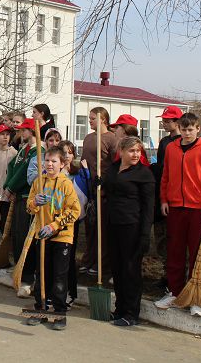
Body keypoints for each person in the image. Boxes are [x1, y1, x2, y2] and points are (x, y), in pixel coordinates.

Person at [155, 112, 201, 317]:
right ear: (179, 129)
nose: (187, 133)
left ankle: (195, 297)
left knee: (197, 252)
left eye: (191, 129)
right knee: (175, 251)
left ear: (198, 129)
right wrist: (164, 199)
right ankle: (174, 292)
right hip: (175, 206)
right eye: (184, 129)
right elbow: (165, 175)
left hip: (197, 208)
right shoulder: (171, 148)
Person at [25, 146, 80, 330]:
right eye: (47, 160)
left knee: (59, 277)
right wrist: (35, 203)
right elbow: (29, 207)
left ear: (62, 164)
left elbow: (74, 211)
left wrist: (54, 226)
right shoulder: (38, 182)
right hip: (42, 235)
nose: (49, 164)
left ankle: (59, 313)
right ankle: (40, 308)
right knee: (42, 274)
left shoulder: (66, 184)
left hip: (62, 237)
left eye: (54, 161)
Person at [105, 137, 155, 327]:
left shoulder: (144, 174)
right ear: (122, 152)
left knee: (130, 270)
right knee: (117, 268)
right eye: (132, 151)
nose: (136, 155)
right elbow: (107, 189)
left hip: (132, 226)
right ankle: (120, 309)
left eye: (138, 151)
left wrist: (145, 234)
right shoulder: (113, 169)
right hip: (113, 224)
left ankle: (131, 313)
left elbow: (148, 207)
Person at [4, 118, 43, 297]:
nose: (20, 133)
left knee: (26, 237)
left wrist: (12, 187)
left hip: (29, 197)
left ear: (31, 131)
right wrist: (8, 186)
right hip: (18, 196)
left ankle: (27, 276)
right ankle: (19, 272)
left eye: (24, 130)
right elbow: (12, 166)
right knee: (17, 235)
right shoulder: (23, 149)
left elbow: (24, 173)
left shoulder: (38, 151)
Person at [80, 107, 118, 277]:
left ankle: (101, 262)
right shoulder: (88, 138)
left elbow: (115, 164)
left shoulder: (112, 139)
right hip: (88, 187)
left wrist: (106, 182)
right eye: (89, 118)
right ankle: (88, 259)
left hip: (103, 189)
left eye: (93, 118)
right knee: (90, 225)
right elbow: (84, 161)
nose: (90, 121)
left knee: (102, 228)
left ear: (103, 119)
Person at [150, 105, 183, 287]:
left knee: (176, 237)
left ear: (177, 122)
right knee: (162, 235)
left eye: (167, 121)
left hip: (178, 195)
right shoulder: (164, 142)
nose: (164, 123)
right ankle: (166, 272)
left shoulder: (184, 141)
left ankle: (179, 273)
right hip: (162, 191)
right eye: (163, 120)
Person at [60, 140, 89, 306]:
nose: (67, 156)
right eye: (64, 152)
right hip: (53, 220)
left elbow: (85, 193)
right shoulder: (53, 172)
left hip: (71, 221)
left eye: (70, 152)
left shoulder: (79, 173)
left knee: (68, 257)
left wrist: (88, 174)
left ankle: (70, 292)